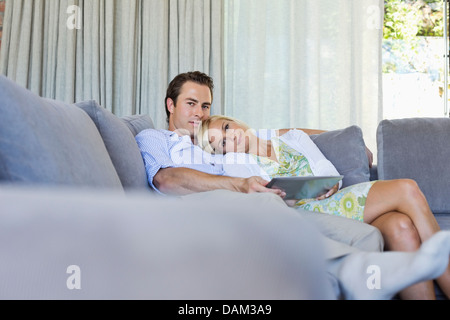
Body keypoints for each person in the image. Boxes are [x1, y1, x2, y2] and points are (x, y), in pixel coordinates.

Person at [135, 71, 442, 299]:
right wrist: (240, 184)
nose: (200, 113)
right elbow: (166, 178)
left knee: (374, 235)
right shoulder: (157, 138)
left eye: (205, 106)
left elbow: (269, 137)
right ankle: (347, 267)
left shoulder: (212, 141)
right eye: (191, 104)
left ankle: (359, 270)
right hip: (218, 212)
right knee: (271, 205)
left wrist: (344, 138)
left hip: (261, 201)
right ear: (170, 105)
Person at [197, 114, 450, 300]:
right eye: (222, 143)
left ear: (235, 121)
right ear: (221, 153)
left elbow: (324, 169)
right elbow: (263, 198)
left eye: (226, 128)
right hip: (309, 218)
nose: (231, 137)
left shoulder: (292, 137)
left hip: (333, 201)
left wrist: (331, 187)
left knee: (401, 226)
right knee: (406, 189)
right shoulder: (236, 164)